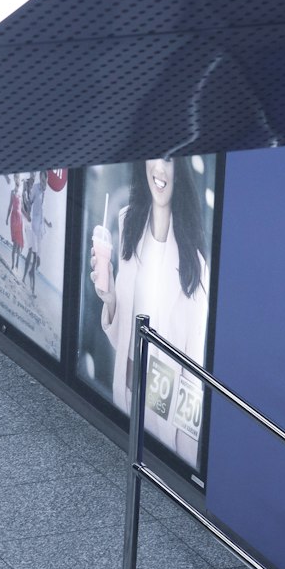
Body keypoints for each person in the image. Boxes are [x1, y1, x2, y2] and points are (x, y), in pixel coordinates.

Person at [89, 156, 209, 462]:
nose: (159, 168)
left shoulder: (194, 267)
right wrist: (111, 299)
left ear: (179, 170)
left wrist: (185, 459)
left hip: (163, 422)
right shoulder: (128, 222)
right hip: (123, 399)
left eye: (169, 160)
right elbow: (124, 339)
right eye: (155, 155)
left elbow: (193, 376)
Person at [5, 175, 24, 271]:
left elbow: (23, 208)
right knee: (15, 243)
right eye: (16, 178)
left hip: (20, 219)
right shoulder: (12, 192)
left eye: (18, 178)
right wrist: (7, 218)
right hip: (14, 218)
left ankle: (17, 263)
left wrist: (28, 217)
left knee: (19, 243)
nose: (17, 180)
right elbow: (9, 206)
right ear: (14, 179)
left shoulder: (21, 193)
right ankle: (13, 265)